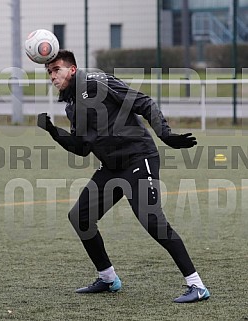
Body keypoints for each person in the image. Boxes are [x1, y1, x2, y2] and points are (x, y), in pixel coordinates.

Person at [37, 49, 210, 303]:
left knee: (152, 220)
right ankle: (108, 279)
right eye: (49, 72)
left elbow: (143, 102)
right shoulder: (72, 106)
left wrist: (165, 134)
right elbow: (82, 148)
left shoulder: (97, 81)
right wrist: (54, 132)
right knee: (80, 217)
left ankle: (197, 286)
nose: (52, 76)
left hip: (139, 158)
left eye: (57, 70)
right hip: (111, 167)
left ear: (72, 69)